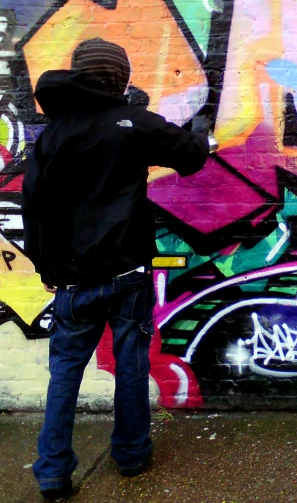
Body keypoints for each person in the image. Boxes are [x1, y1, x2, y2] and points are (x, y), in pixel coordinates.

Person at [22, 38, 211, 500]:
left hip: (71, 279)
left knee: (65, 374)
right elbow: (190, 154)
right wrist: (203, 128)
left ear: (78, 73)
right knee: (130, 366)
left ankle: (51, 471)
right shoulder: (132, 125)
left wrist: (45, 265)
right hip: (127, 275)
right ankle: (130, 455)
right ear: (120, 77)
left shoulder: (53, 135)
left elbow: (34, 206)